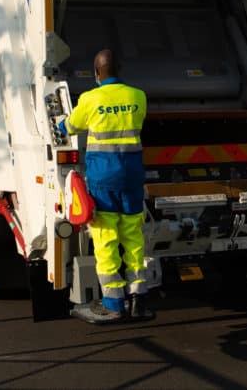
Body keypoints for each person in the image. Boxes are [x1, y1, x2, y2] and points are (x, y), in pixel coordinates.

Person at [60, 48, 152, 324]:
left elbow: (71, 126)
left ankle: (113, 302)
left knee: (106, 239)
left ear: (96, 73)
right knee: (134, 238)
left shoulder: (90, 99)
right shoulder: (138, 96)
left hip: (104, 180)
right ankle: (139, 298)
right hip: (133, 176)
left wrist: (62, 124)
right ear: (119, 69)